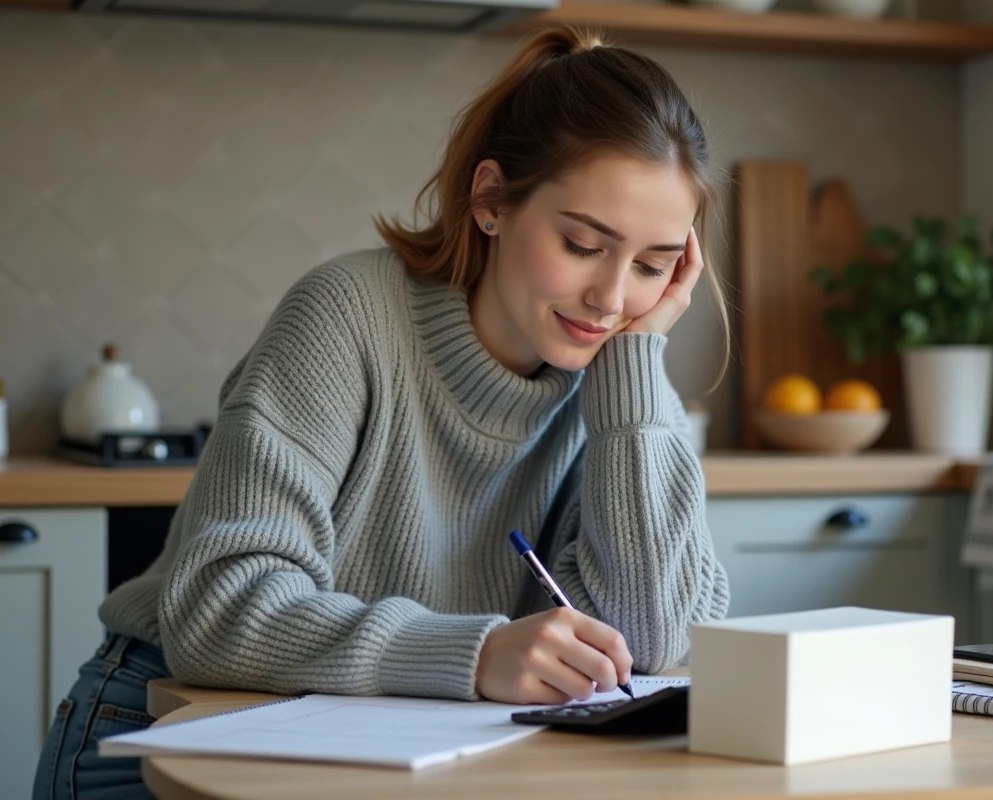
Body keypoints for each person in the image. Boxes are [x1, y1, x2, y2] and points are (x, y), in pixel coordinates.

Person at [33, 24, 732, 799]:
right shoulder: (345, 317)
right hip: (167, 730)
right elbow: (216, 611)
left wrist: (635, 370)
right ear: (492, 200)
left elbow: (652, 640)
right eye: (581, 244)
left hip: (403, 754)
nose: (611, 298)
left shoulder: (620, 386)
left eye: (652, 266)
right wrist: (475, 654)